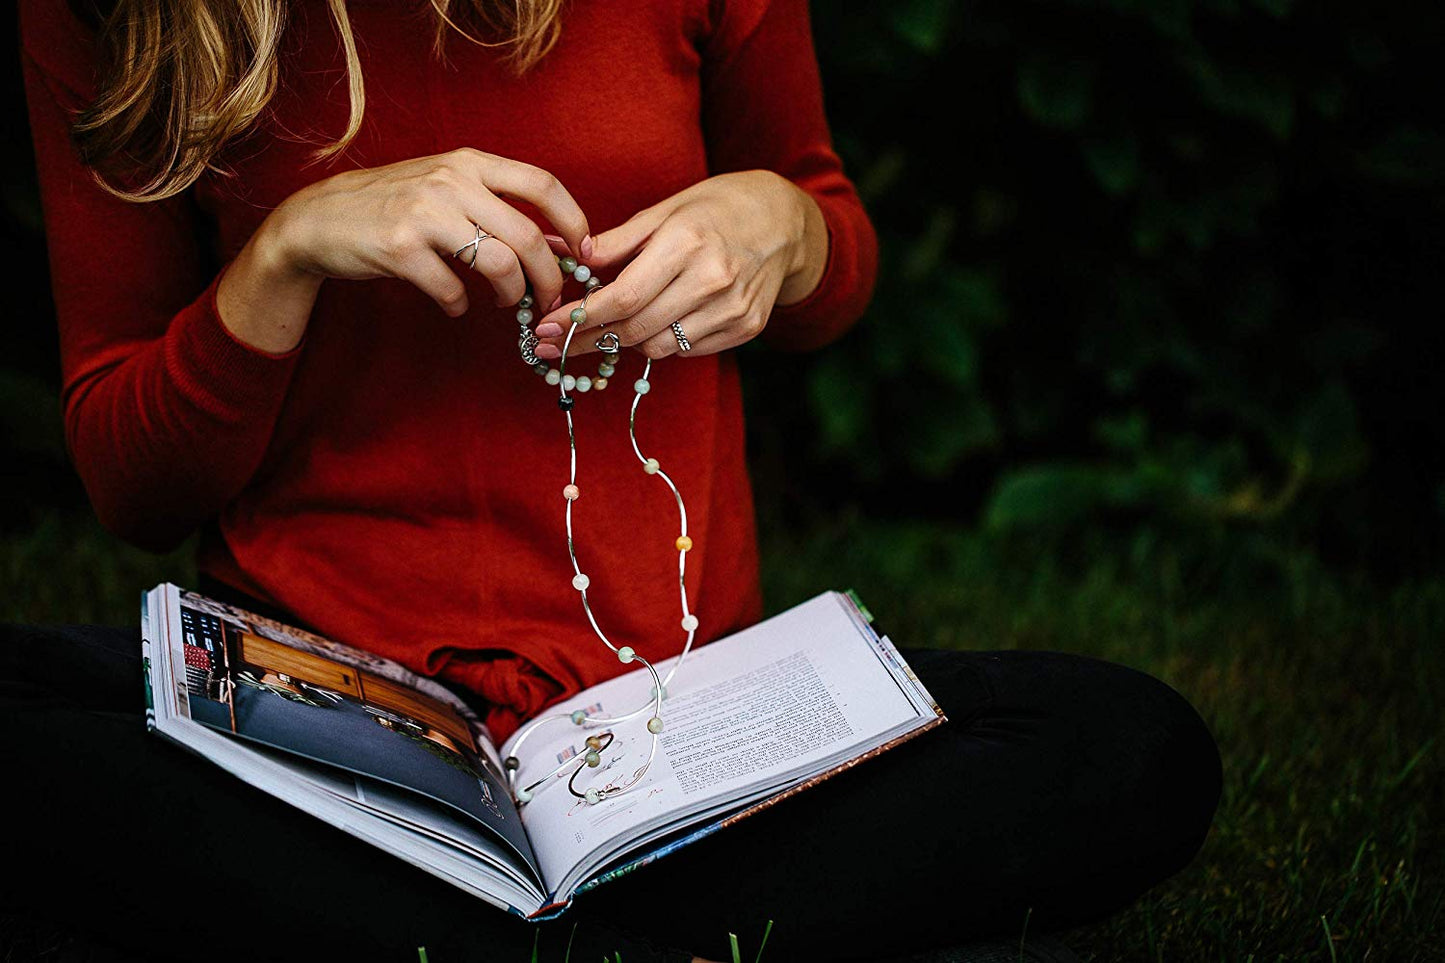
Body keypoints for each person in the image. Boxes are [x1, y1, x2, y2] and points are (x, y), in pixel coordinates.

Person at [6, 1, 1223, 960]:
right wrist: (285, 252)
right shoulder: (128, 12)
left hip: (668, 733)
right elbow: (132, 484)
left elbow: (826, 240)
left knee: (1127, 745)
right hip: (329, 735)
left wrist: (779, 228)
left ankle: (451, 933)